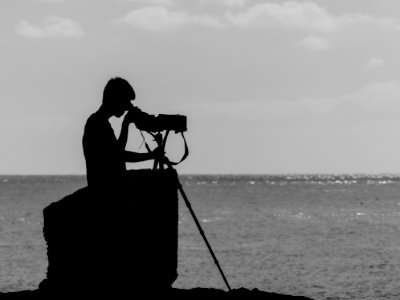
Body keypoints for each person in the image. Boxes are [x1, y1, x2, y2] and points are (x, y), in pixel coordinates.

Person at [82, 77, 161, 189]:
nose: (126, 107)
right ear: (116, 99)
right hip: (104, 189)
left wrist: (126, 124)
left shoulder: (99, 121)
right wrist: (151, 155)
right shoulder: (97, 123)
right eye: (125, 101)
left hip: (107, 187)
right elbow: (119, 155)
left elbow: (116, 152)